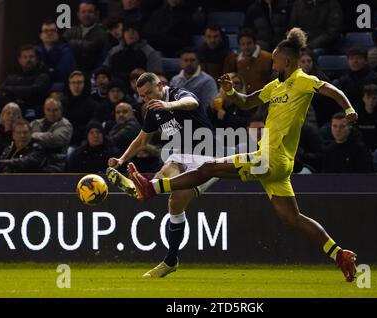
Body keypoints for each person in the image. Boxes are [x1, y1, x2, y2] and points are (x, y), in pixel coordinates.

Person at [125, 29, 358, 282]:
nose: (273, 63)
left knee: (209, 168)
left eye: (276, 60)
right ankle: (339, 254)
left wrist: (348, 109)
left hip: (270, 159)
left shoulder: (302, 80)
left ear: (287, 61)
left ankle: (152, 188)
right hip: (274, 163)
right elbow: (247, 102)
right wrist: (232, 93)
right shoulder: (275, 86)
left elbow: (331, 90)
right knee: (292, 218)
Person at [106, 72, 220, 277]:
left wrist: (168, 106)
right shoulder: (152, 111)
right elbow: (141, 141)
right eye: (142, 96)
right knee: (166, 174)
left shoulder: (176, 95)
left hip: (208, 160)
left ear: (160, 85)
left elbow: (191, 102)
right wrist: (122, 160)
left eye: (150, 93)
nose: (147, 99)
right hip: (180, 155)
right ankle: (142, 188)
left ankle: (169, 259)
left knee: (177, 200)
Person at [30, 97, 73, 172]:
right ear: (44, 110)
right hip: (34, 161)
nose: (51, 113)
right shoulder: (36, 123)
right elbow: (26, 138)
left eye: (55, 110)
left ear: (61, 110)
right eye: (48, 110)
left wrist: (36, 135)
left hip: (54, 163)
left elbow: (55, 139)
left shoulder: (65, 125)